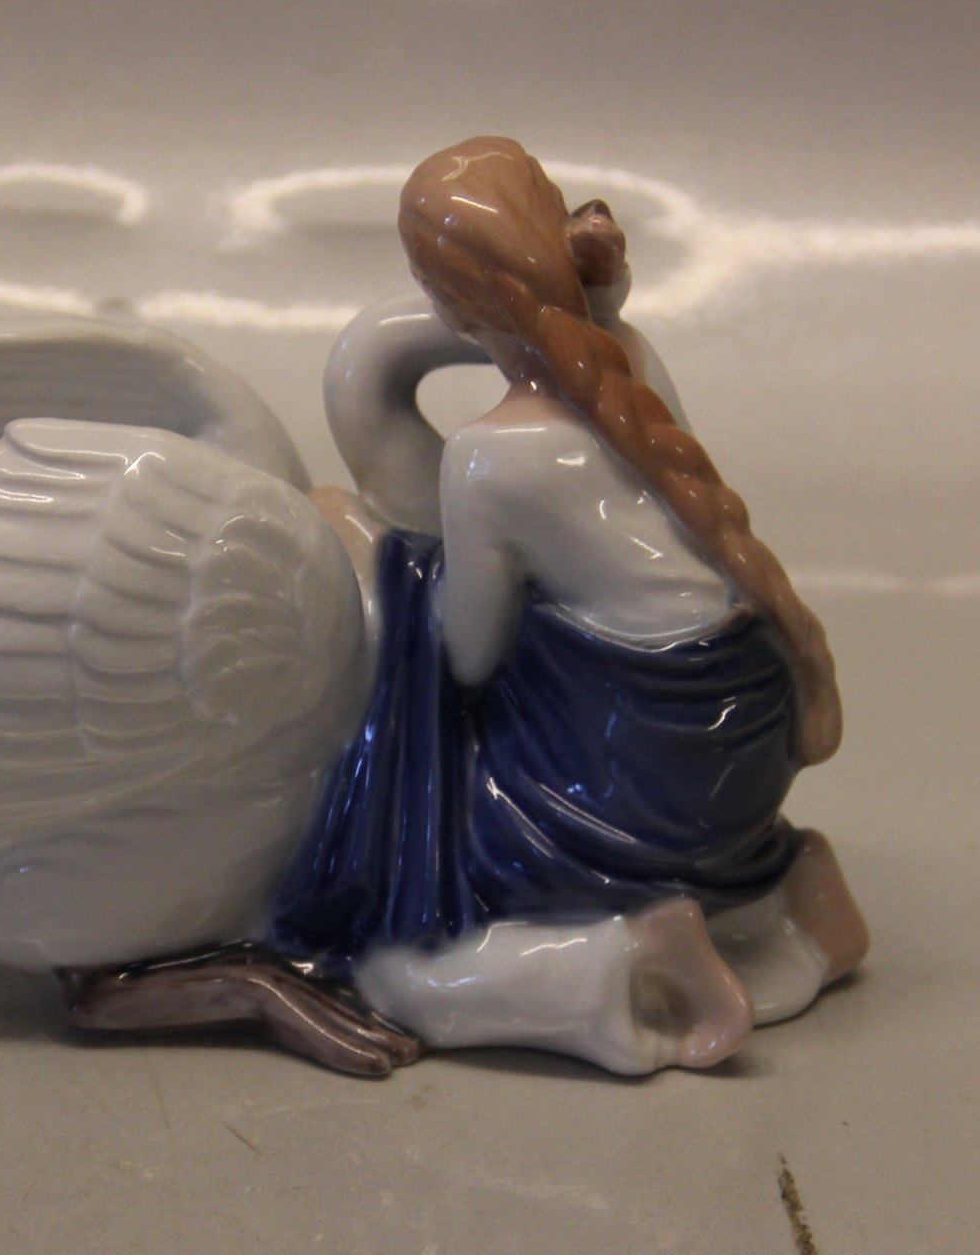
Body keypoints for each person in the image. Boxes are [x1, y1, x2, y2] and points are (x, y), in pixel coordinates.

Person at [267, 138, 868, 1072]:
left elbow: (469, 656)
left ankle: (630, 951)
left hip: (645, 769)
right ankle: (791, 897)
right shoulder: (634, 360)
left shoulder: (488, 458)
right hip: (751, 725)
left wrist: (392, 567)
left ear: (444, 302)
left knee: (406, 927)